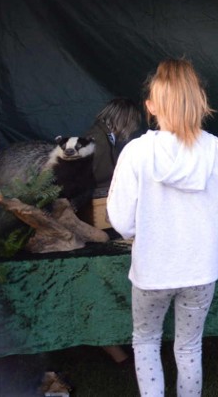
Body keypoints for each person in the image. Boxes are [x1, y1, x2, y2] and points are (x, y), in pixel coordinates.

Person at [107, 58, 218, 397]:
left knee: (145, 341)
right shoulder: (216, 150)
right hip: (200, 271)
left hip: (151, 272)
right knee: (188, 347)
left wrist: (141, 232)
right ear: (200, 103)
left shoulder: (135, 153)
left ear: (151, 106)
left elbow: (122, 222)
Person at [83, 97, 143, 366]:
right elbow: (95, 181)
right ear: (124, 120)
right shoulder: (96, 140)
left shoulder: (103, 138)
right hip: (92, 213)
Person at [84, 98, 142, 196]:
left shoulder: (104, 136)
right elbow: (89, 177)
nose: (134, 128)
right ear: (125, 121)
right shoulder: (98, 139)